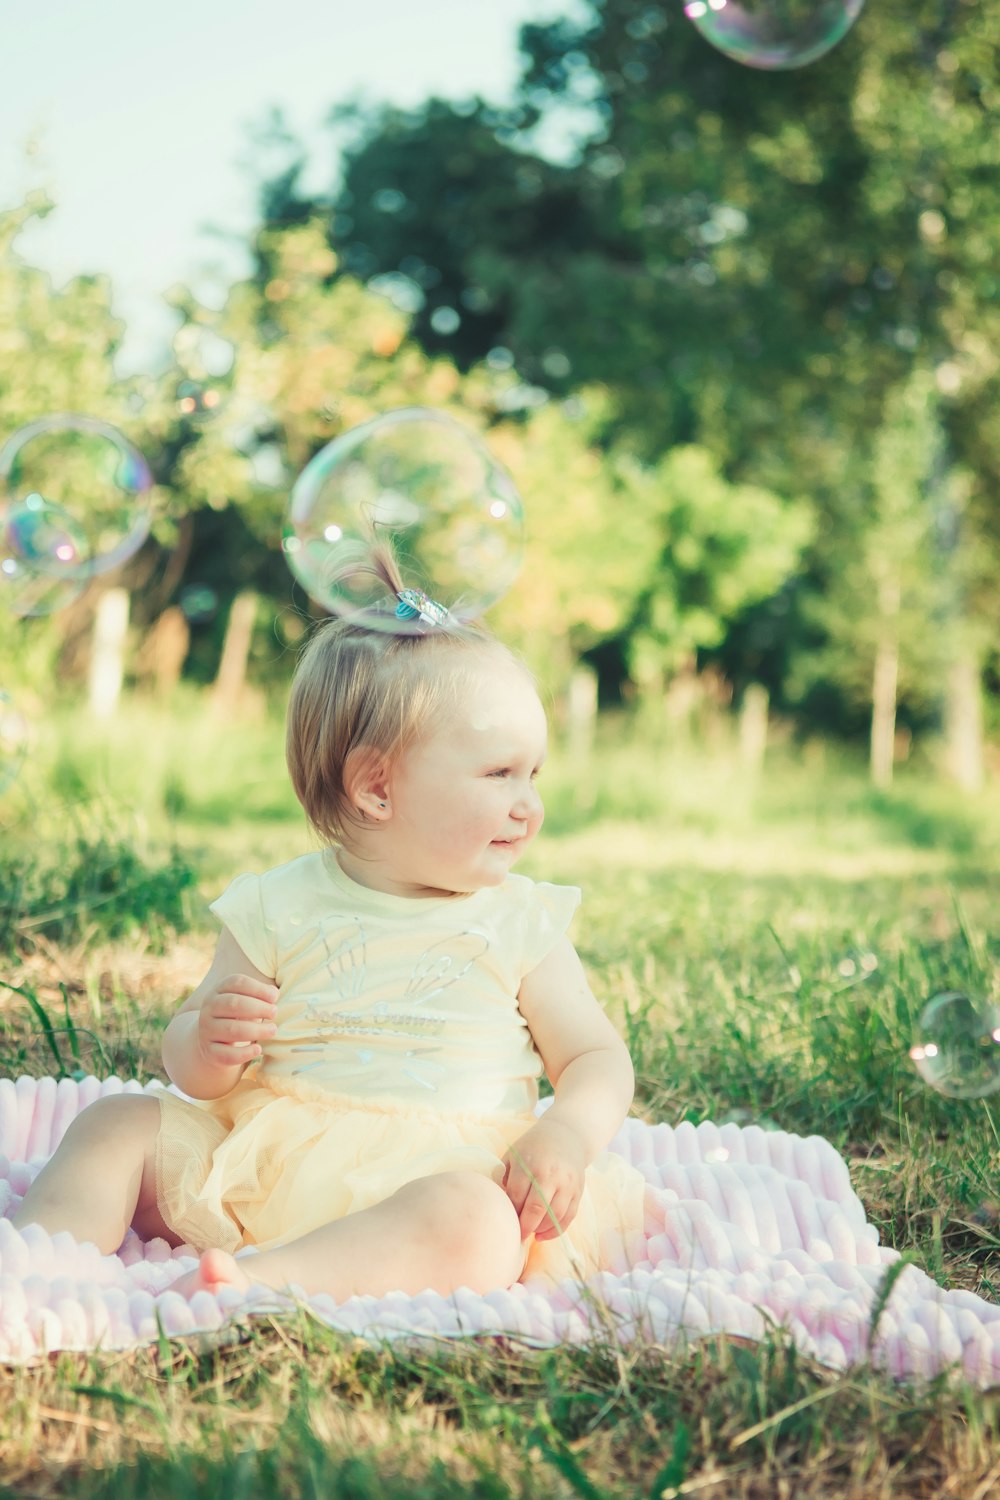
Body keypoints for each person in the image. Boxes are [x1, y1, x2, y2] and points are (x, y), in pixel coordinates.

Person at [14, 548, 646, 1303]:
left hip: (444, 1176)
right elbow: (190, 1062)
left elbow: (596, 1058)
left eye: (532, 773)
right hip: (264, 1166)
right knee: (116, 1123)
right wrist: (207, 1041)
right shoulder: (277, 905)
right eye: (498, 774)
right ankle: (37, 1268)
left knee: (477, 1225)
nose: (528, 803)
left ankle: (254, 1282)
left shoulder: (521, 921)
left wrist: (566, 1134)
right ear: (377, 788)